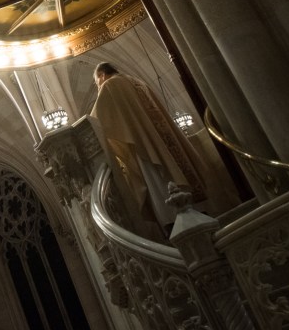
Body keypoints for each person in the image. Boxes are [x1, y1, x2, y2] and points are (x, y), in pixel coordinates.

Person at [89, 62, 208, 236]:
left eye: (96, 82)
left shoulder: (110, 85)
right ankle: (198, 212)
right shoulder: (136, 81)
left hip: (143, 145)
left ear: (101, 75)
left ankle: (174, 226)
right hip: (162, 141)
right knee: (174, 172)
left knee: (158, 182)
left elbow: (96, 121)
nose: (98, 86)